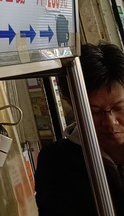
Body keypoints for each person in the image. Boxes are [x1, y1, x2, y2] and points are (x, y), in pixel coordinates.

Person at [35, 42, 124, 214]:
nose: (110, 122)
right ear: (72, 104)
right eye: (94, 111)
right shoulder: (56, 163)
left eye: (119, 107)